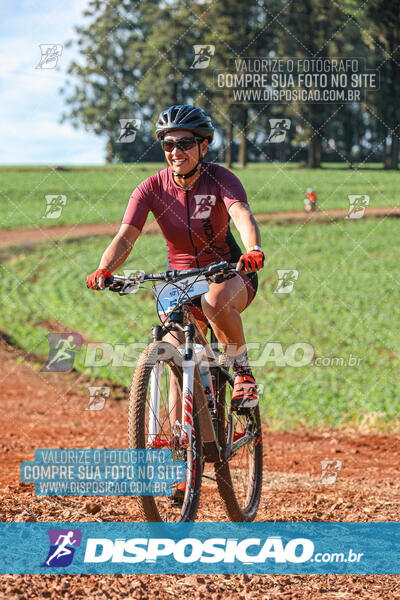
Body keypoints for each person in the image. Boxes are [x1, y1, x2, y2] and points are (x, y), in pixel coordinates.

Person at [86, 105, 264, 412]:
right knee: (176, 348)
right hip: (181, 279)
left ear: (203, 146)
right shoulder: (150, 188)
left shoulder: (221, 178)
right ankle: (178, 439)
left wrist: (253, 250)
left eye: (184, 143)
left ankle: (242, 374)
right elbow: (126, 236)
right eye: (169, 144)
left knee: (214, 301)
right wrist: (105, 268)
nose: (175, 151)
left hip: (229, 270)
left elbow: (241, 214)